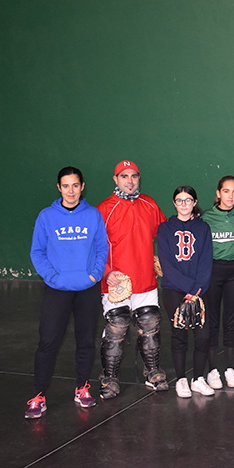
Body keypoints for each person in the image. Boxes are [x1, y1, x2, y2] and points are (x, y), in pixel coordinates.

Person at [25, 166, 108, 419]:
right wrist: (53, 277)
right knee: (48, 342)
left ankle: (82, 387)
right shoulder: (46, 216)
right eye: (65, 186)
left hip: (87, 289)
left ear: (82, 187)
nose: (70, 191)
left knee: (86, 341)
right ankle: (39, 395)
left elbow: (102, 248)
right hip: (57, 290)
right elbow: (37, 252)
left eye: (75, 185)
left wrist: (94, 275)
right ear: (59, 188)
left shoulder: (93, 215)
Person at [97, 160, 167, 399]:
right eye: (124, 176)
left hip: (145, 279)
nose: (129, 180)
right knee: (116, 328)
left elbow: (166, 232)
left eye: (134, 176)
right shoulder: (104, 209)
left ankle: (153, 372)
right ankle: (109, 378)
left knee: (150, 325)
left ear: (139, 178)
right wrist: (106, 272)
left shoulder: (150, 204)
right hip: (116, 282)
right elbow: (93, 247)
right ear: (115, 179)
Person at [157, 186, 214, 397]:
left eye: (188, 200)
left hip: (198, 289)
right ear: (174, 203)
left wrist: (196, 290)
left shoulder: (203, 228)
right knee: (179, 334)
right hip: (174, 289)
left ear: (194, 202)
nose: (184, 204)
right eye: (179, 200)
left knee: (203, 336)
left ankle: (198, 378)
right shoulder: (164, 228)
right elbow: (167, 265)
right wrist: (189, 289)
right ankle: (181, 379)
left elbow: (206, 261)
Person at [201, 176, 234, 389]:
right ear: (218, 193)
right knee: (212, 321)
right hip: (213, 271)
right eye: (226, 191)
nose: (231, 196)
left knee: (230, 319)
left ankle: (229, 367)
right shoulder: (206, 217)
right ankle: (212, 370)